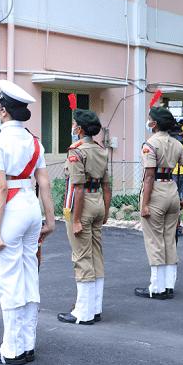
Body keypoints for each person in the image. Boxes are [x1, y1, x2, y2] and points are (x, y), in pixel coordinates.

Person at [0, 80, 55, 365]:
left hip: (8, 209)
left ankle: (12, 350)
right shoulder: (35, 141)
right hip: (30, 207)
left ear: (2, 111)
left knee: (9, 281)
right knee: (29, 277)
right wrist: (50, 220)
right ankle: (27, 344)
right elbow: (44, 183)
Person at [58, 106, 111, 324]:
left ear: (79, 129)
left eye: (73, 125)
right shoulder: (100, 149)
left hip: (82, 205)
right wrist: (106, 212)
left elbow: (77, 188)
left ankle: (83, 312)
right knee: (96, 255)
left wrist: (77, 219)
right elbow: (107, 186)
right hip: (97, 201)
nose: (72, 128)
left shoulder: (76, 150)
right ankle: (94, 308)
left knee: (82, 257)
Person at [135, 105, 183, 300]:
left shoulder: (150, 144)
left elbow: (149, 176)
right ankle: (169, 285)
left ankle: (157, 287)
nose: (148, 121)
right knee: (170, 239)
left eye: (150, 118)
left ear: (154, 124)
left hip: (156, 193)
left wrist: (144, 204)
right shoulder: (176, 143)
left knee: (154, 240)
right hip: (172, 190)